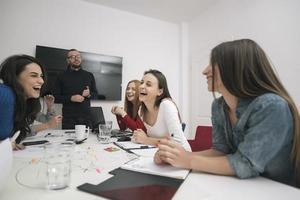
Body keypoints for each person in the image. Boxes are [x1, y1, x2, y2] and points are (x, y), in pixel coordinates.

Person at [155, 39, 300, 187]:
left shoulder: (272, 106)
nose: (204, 71)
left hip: (279, 190)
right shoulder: (218, 106)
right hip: (242, 186)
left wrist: (188, 160)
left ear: (236, 68)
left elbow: (245, 164)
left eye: (213, 64)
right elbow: (220, 151)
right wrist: (174, 157)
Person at [0, 54, 45, 190]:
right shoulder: (5, 94)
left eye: (41, 76)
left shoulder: (26, 103)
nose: (41, 81)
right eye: (33, 75)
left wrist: (8, 144)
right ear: (15, 78)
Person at [132, 69, 191, 151]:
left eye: (148, 84)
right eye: (142, 83)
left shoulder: (167, 105)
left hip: (182, 156)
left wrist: (146, 140)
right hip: (160, 153)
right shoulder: (141, 110)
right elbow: (154, 139)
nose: (141, 86)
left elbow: (177, 143)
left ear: (159, 91)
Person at [53, 49, 98, 129]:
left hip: (86, 118)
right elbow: (55, 97)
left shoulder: (89, 75)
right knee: (67, 141)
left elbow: (95, 94)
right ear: (68, 60)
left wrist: (89, 94)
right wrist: (71, 98)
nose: (76, 59)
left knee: (88, 141)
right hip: (69, 119)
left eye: (78, 56)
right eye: (73, 57)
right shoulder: (61, 76)